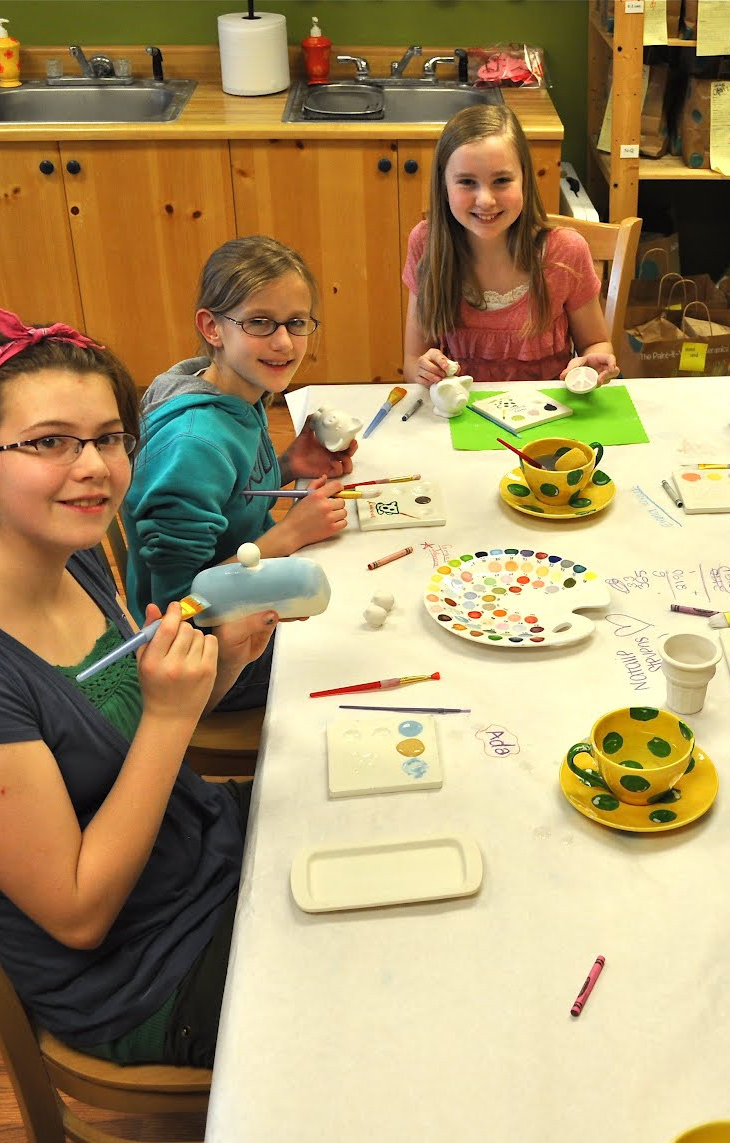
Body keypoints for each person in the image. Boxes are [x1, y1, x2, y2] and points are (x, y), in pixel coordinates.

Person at [0, 303, 280, 1066]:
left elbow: (119, 738)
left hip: (199, 848)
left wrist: (224, 668)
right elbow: (79, 912)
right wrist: (167, 715)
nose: (95, 467)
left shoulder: (66, 549)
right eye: (51, 441)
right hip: (147, 972)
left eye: (110, 438)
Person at [124, 236, 356, 710]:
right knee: (364, 646)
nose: (284, 342)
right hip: (199, 658)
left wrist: (291, 464)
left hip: (238, 604)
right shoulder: (194, 443)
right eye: (259, 323)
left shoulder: (230, 390)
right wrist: (288, 536)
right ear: (212, 327)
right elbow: (180, 606)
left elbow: (233, 499)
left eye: (296, 322)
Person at [403, 103, 618, 388]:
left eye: (501, 180)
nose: (486, 200)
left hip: (548, 419)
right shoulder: (426, 245)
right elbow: (411, 361)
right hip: (461, 419)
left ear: (525, 180)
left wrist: (592, 365)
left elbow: (597, 344)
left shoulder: (565, 251)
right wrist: (422, 371)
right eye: (467, 182)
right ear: (443, 187)